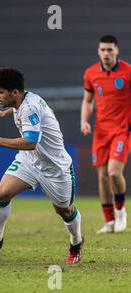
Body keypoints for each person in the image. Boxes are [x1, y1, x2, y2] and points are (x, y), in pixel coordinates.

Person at [0, 67, 84, 264]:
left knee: (64, 210)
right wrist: (3, 113)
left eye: (0, 91)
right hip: (29, 161)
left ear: (14, 92)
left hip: (55, 168)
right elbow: (18, 110)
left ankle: (76, 242)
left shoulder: (30, 107)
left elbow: (30, 142)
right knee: (2, 194)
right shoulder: (25, 98)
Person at [81, 35, 130, 234]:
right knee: (102, 177)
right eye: (103, 50)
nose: (106, 53)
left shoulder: (128, 72)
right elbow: (87, 100)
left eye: (110, 50)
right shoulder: (91, 73)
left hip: (122, 130)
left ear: (117, 51)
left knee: (113, 173)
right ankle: (109, 221)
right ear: (98, 51)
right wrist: (84, 120)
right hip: (101, 131)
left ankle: (120, 211)